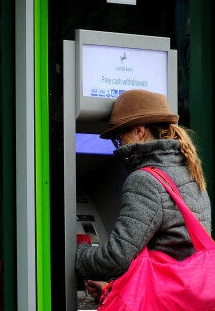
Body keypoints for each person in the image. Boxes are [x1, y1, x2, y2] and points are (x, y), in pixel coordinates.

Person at [75, 89, 212, 300]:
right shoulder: (189, 171)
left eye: (121, 137)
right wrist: (116, 288)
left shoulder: (145, 180)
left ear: (139, 131)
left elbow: (116, 257)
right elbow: (174, 255)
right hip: (181, 297)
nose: (120, 145)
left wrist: (76, 254)